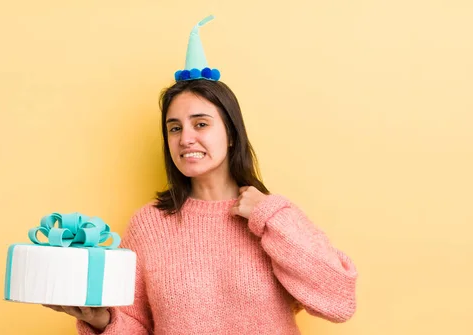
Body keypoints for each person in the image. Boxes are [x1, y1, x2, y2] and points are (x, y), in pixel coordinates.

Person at [44, 15, 358, 334]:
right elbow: (135, 325)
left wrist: (268, 215)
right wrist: (103, 321)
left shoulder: (271, 219)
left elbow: (339, 299)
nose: (186, 138)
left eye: (202, 124)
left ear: (232, 133)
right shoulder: (149, 225)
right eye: (175, 128)